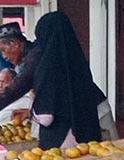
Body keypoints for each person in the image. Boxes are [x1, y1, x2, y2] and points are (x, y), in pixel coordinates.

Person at [30, 11, 105, 150]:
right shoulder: (80, 64)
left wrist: (32, 107)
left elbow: (46, 117)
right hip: (88, 140)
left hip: (61, 144)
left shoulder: (47, 67)